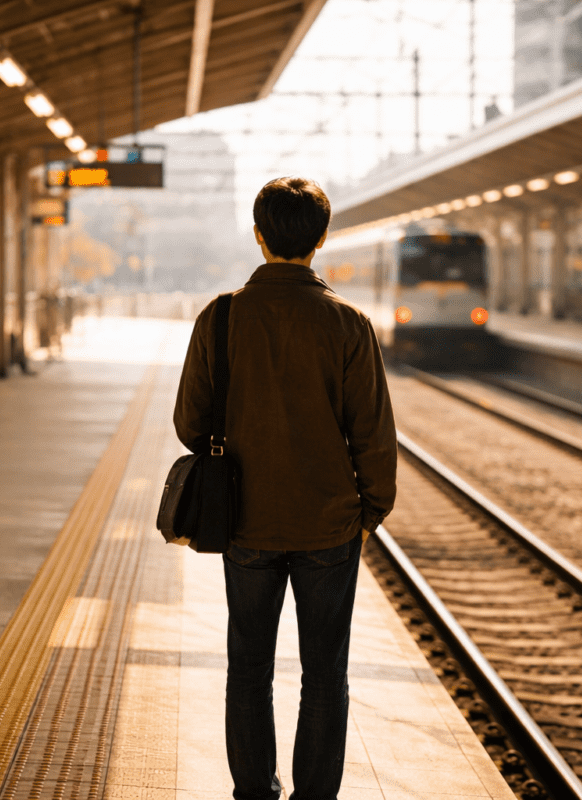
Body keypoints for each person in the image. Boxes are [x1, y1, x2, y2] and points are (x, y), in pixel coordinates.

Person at [174, 176, 397, 800]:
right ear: (321, 239)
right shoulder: (349, 323)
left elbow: (189, 423)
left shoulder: (220, 317)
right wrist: (371, 512)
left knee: (248, 668)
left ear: (258, 234)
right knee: (325, 675)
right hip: (329, 524)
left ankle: (254, 792)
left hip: (244, 522)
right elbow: (374, 434)